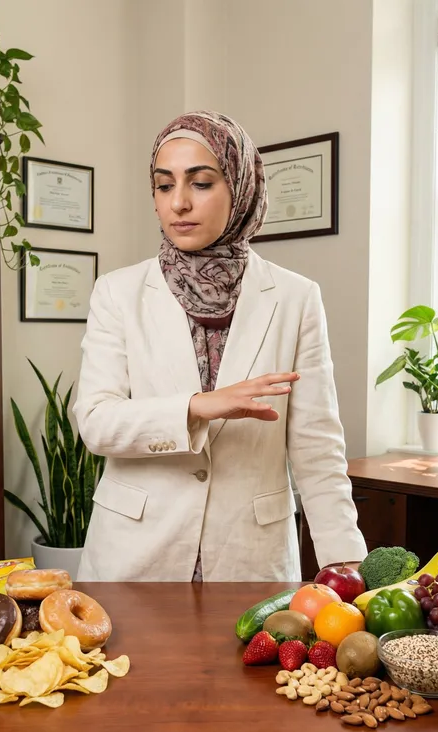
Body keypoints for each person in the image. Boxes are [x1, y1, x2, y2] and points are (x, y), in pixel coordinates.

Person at [73, 110, 366, 581]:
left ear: (241, 188)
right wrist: (196, 407)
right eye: (164, 185)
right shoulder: (116, 291)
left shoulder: (296, 297)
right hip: (134, 558)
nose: (179, 203)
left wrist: (345, 560)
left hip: (251, 560)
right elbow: (96, 422)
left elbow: (317, 445)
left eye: (201, 183)